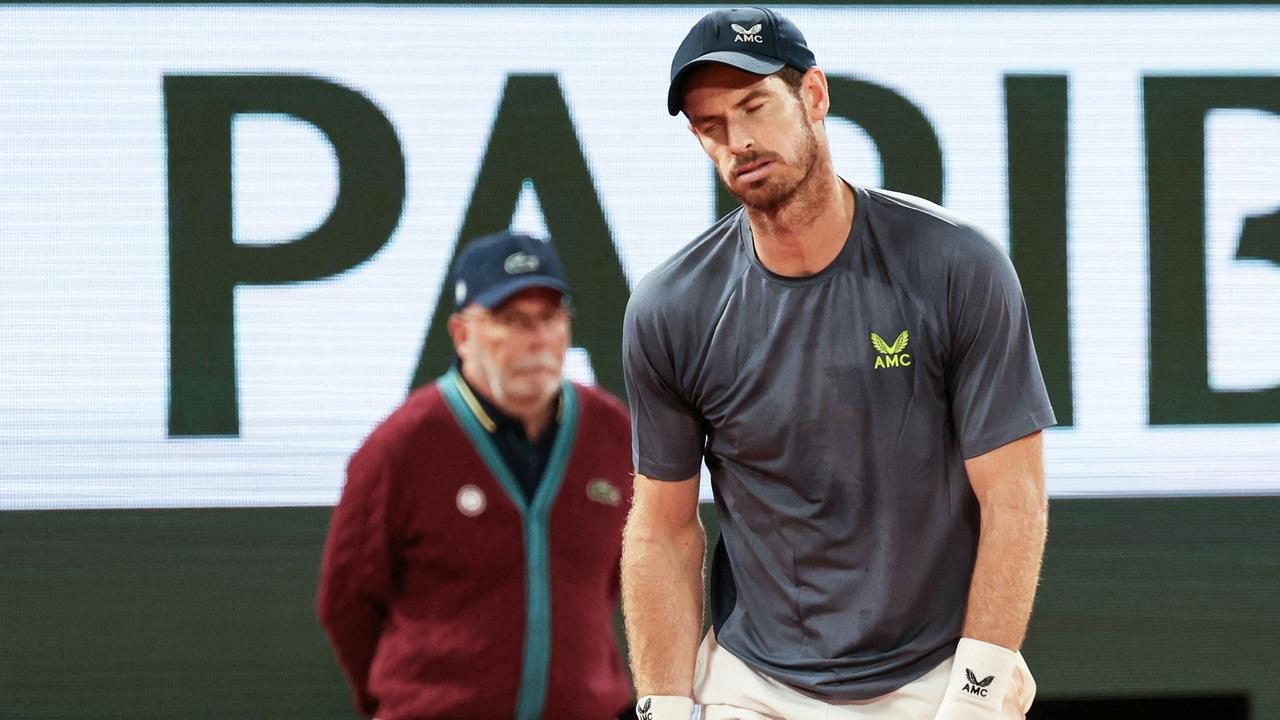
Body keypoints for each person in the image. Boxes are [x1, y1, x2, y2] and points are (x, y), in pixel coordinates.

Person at [620, 7, 1055, 720]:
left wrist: (977, 697)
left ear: (815, 97)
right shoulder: (671, 309)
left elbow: (1015, 499)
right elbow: (661, 529)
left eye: (754, 106)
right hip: (752, 684)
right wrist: (665, 709)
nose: (739, 140)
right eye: (710, 126)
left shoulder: (956, 266)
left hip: (934, 675)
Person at [318, 231, 635, 720]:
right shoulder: (401, 446)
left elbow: (628, 579)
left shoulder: (613, 431)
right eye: (511, 320)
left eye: (549, 317)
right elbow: (347, 602)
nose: (537, 337)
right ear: (462, 334)